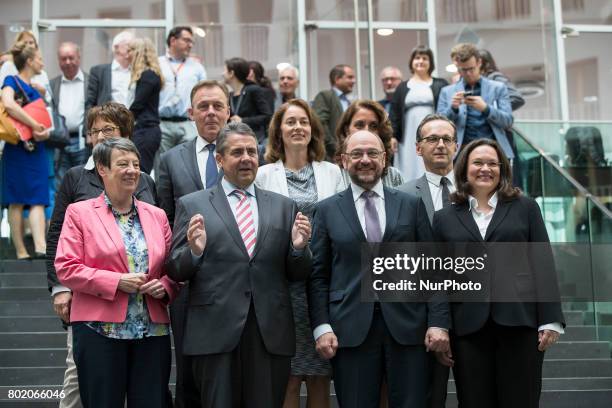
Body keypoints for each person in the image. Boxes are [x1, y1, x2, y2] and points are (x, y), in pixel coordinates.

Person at [167, 122, 312, 407]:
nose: (246, 158)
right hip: (215, 333)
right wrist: (194, 252)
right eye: (237, 152)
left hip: (269, 333)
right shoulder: (193, 204)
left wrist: (298, 249)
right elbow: (174, 268)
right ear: (219, 160)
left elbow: (299, 273)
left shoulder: (284, 206)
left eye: (251, 151)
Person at [308, 129, 450, 407]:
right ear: (343, 160)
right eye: (356, 154)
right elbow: (318, 276)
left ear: (384, 159)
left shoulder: (411, 205)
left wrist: (438, 322)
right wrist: (322, 327)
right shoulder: (326, 210)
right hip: (349, 329)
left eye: (372, 153)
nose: (365, 160)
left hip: (409, 327)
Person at [432, 138, 565, 408]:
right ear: (463, 169)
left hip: (520, 324)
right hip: (467, 328)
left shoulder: (526, 208)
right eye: (477, 162)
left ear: (502, 169)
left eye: (493, 163)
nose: (485, 168)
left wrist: (550, 319)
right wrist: (440, 324)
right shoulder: (444, 217)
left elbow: (543, 263)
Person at [46, 102, 157, 408]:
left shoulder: (143, 179)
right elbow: (57, 235)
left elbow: (157, 235)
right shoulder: (75, 177)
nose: (100, 136)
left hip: (141, 310)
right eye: (95, 131)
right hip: (90, 301)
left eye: (108, 130)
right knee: (78, 379)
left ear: (125, 134)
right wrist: (60, 287)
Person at [54, 138, 177, 408]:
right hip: (99, 330)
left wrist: (165, 286)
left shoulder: (156, 215)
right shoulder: (80, 213)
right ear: (102, 169)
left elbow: (172, 268)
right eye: (123, 164)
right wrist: (116, 281)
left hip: (151, 331)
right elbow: (67, 267)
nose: (132, 170)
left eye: (136, 164)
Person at [256, 99, 343, 408]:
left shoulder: (332, 172)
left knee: (321, 374)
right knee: (288, 375)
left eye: (303, 122)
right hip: (283, 286)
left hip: (322, 284)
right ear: (279, 131)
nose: (297, 127)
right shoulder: (264, 175)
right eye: (290, 122)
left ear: (312, 130)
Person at [156, 79, 229, 408]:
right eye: (203, 106)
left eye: (218, 106)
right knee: (189, 373)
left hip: (238, 279)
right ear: (190, 113)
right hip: (188, 281)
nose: (211, 112)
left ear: (230, 111)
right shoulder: (171, 159)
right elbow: (165, 221)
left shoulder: (248, 153)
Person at [398, 114, 458, 408]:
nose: (440, 145)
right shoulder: (401, 196)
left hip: (476, 310)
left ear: (456, 146)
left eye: (446, 139)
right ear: (418, 148)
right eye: (432, 139)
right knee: (428, 398)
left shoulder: (480, 191)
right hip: (423, 316)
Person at [1, 41, 50, 259]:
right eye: (39, 58)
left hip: (36, 147)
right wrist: (33, 124)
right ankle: (20, 251)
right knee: (17, 198)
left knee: (39, 197)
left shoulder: (36, 89)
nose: (42, 62)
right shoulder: (10, 80)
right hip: (17, 147)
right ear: (29, 61)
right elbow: (8, 104)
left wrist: (44, 132)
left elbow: (46, 124)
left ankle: (41, 248)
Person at [437, 43, 514, 159]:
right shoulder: (446, 92)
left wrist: (486, 109)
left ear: (479, 63)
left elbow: (508, 121)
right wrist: (453, 108)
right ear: (458, 67)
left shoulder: (498, 88)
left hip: (494, 151)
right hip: (461, 153)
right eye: (463, 70)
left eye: (471, 69)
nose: (468, 73)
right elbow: (439, 125)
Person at [390, 46, 448, 181]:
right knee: (410, 163)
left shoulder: (441, 84)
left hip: (434, 133)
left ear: (431, 63)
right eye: (417, 58)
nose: (420, 61)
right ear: (411, 62)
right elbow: (395, 114)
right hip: (407, 135)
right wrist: (392, 136)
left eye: (425, 58)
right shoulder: (402, 87)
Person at [157, 26, 207, 161]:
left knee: (186, 166)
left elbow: (204, 95)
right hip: (162, 125)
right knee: (162, 166)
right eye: (186, 40)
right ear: (173, 40)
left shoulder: (197, 67)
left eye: (192, 42)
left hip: (188, 124)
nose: (190, 45)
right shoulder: (157, 64)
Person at [335, 99, 404, 188]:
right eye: (359, 125)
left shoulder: (394, 176)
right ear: (346, 130)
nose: (366, 131)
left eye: (373, 126)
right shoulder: (334, 175)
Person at [50, 42, 89, 187]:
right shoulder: (52, 84)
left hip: (83, 142)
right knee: (61, 185)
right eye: (63, 59)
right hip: (60, 143)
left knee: (83, 183)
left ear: (79, 58)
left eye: (71, 58)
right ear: (58, 61)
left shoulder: (90, 81)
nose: (67, 62)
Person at [127, 37, 164, 174]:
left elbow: (137, 104)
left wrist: (121, 120)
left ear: (139, 52)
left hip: (145, 131)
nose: (127, 54)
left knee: (140, 172)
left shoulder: (148, 75)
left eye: (130, 50)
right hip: (142, 130)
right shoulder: (144, 75)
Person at [223, 57, 273, 147]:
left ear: (231, 73)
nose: (222, 74)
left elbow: (268, 116)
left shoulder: (254, 90)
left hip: (255, 141)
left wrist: (243, 120)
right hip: (236, 141)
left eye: (225, 71)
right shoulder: (230, 95)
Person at [312, 64, 356, 161]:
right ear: (337, 79)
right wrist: (335, 149)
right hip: (331, 157)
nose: (354, 81)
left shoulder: (348, 102)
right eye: (350, 77)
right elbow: (320, 123)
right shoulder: (325, 96)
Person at [86, 31, 135, 111]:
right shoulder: (99, 72)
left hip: (132, 121)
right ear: (116, 47)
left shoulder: (138, 72)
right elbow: (91, 102)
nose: (134, 50)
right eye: (130, 46)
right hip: (108, 120)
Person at [0, 30, 50, 99]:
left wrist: (42, 90)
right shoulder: (9, 68)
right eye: (25, 43)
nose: (29, 45)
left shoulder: (41, 73)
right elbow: (5, 97)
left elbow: (49, 98)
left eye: (31, 42)